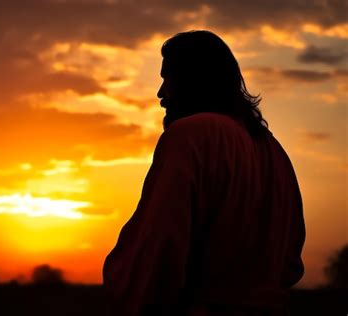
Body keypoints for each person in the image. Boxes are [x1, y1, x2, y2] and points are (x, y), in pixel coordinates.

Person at [102, 30, 306, 316]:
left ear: (193, 79)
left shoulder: (191, 134)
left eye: (167, 78)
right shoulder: (274, 151)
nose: (161, 94)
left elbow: (157, 248)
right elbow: (291, 259)